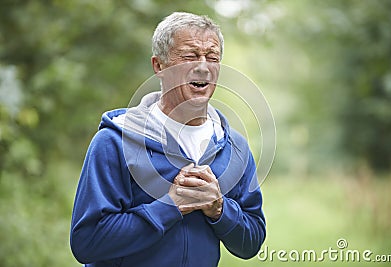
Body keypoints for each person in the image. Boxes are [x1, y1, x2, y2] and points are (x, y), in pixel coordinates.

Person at [70, 12, 266, 267]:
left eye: (212, 57)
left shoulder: (234, 148)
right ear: (159, 66)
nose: (203, 66)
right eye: (190, 56)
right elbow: (87, 242)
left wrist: (220, 209)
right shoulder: (114, 142)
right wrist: (169, 207)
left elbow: (252, 242)